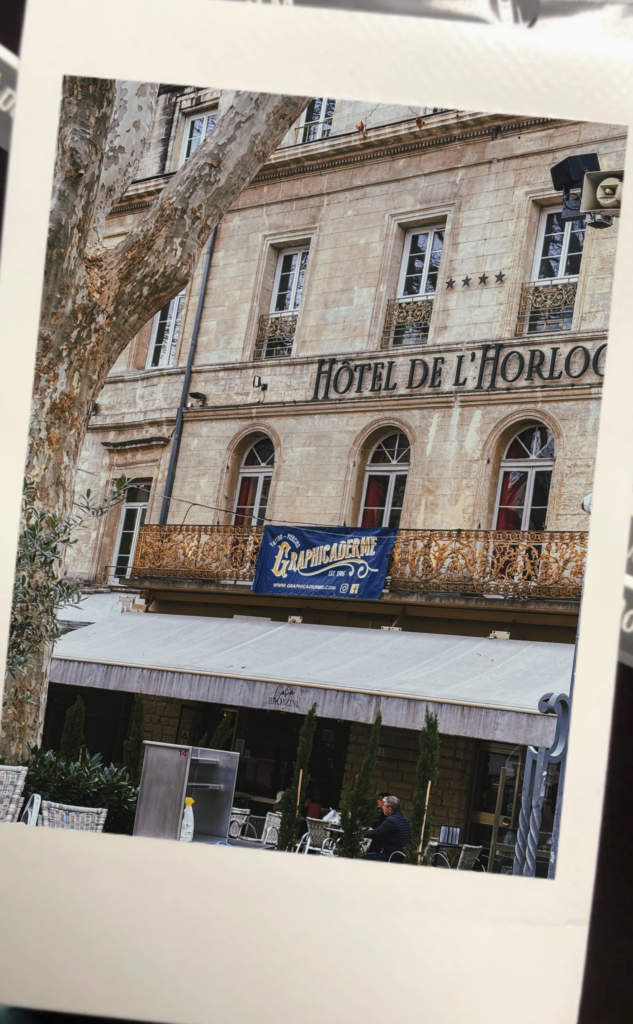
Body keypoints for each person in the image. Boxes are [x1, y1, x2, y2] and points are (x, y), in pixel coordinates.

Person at [362, 795, 412, 862]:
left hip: (393, 857)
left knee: (362, 860)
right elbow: (382, 832)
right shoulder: (403, 818)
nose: (382, 808)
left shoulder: (391, 820)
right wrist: (373, 831)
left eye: (384, 806)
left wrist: (361, 831)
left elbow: (376, 834)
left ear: (390, 809)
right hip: (402, 856)